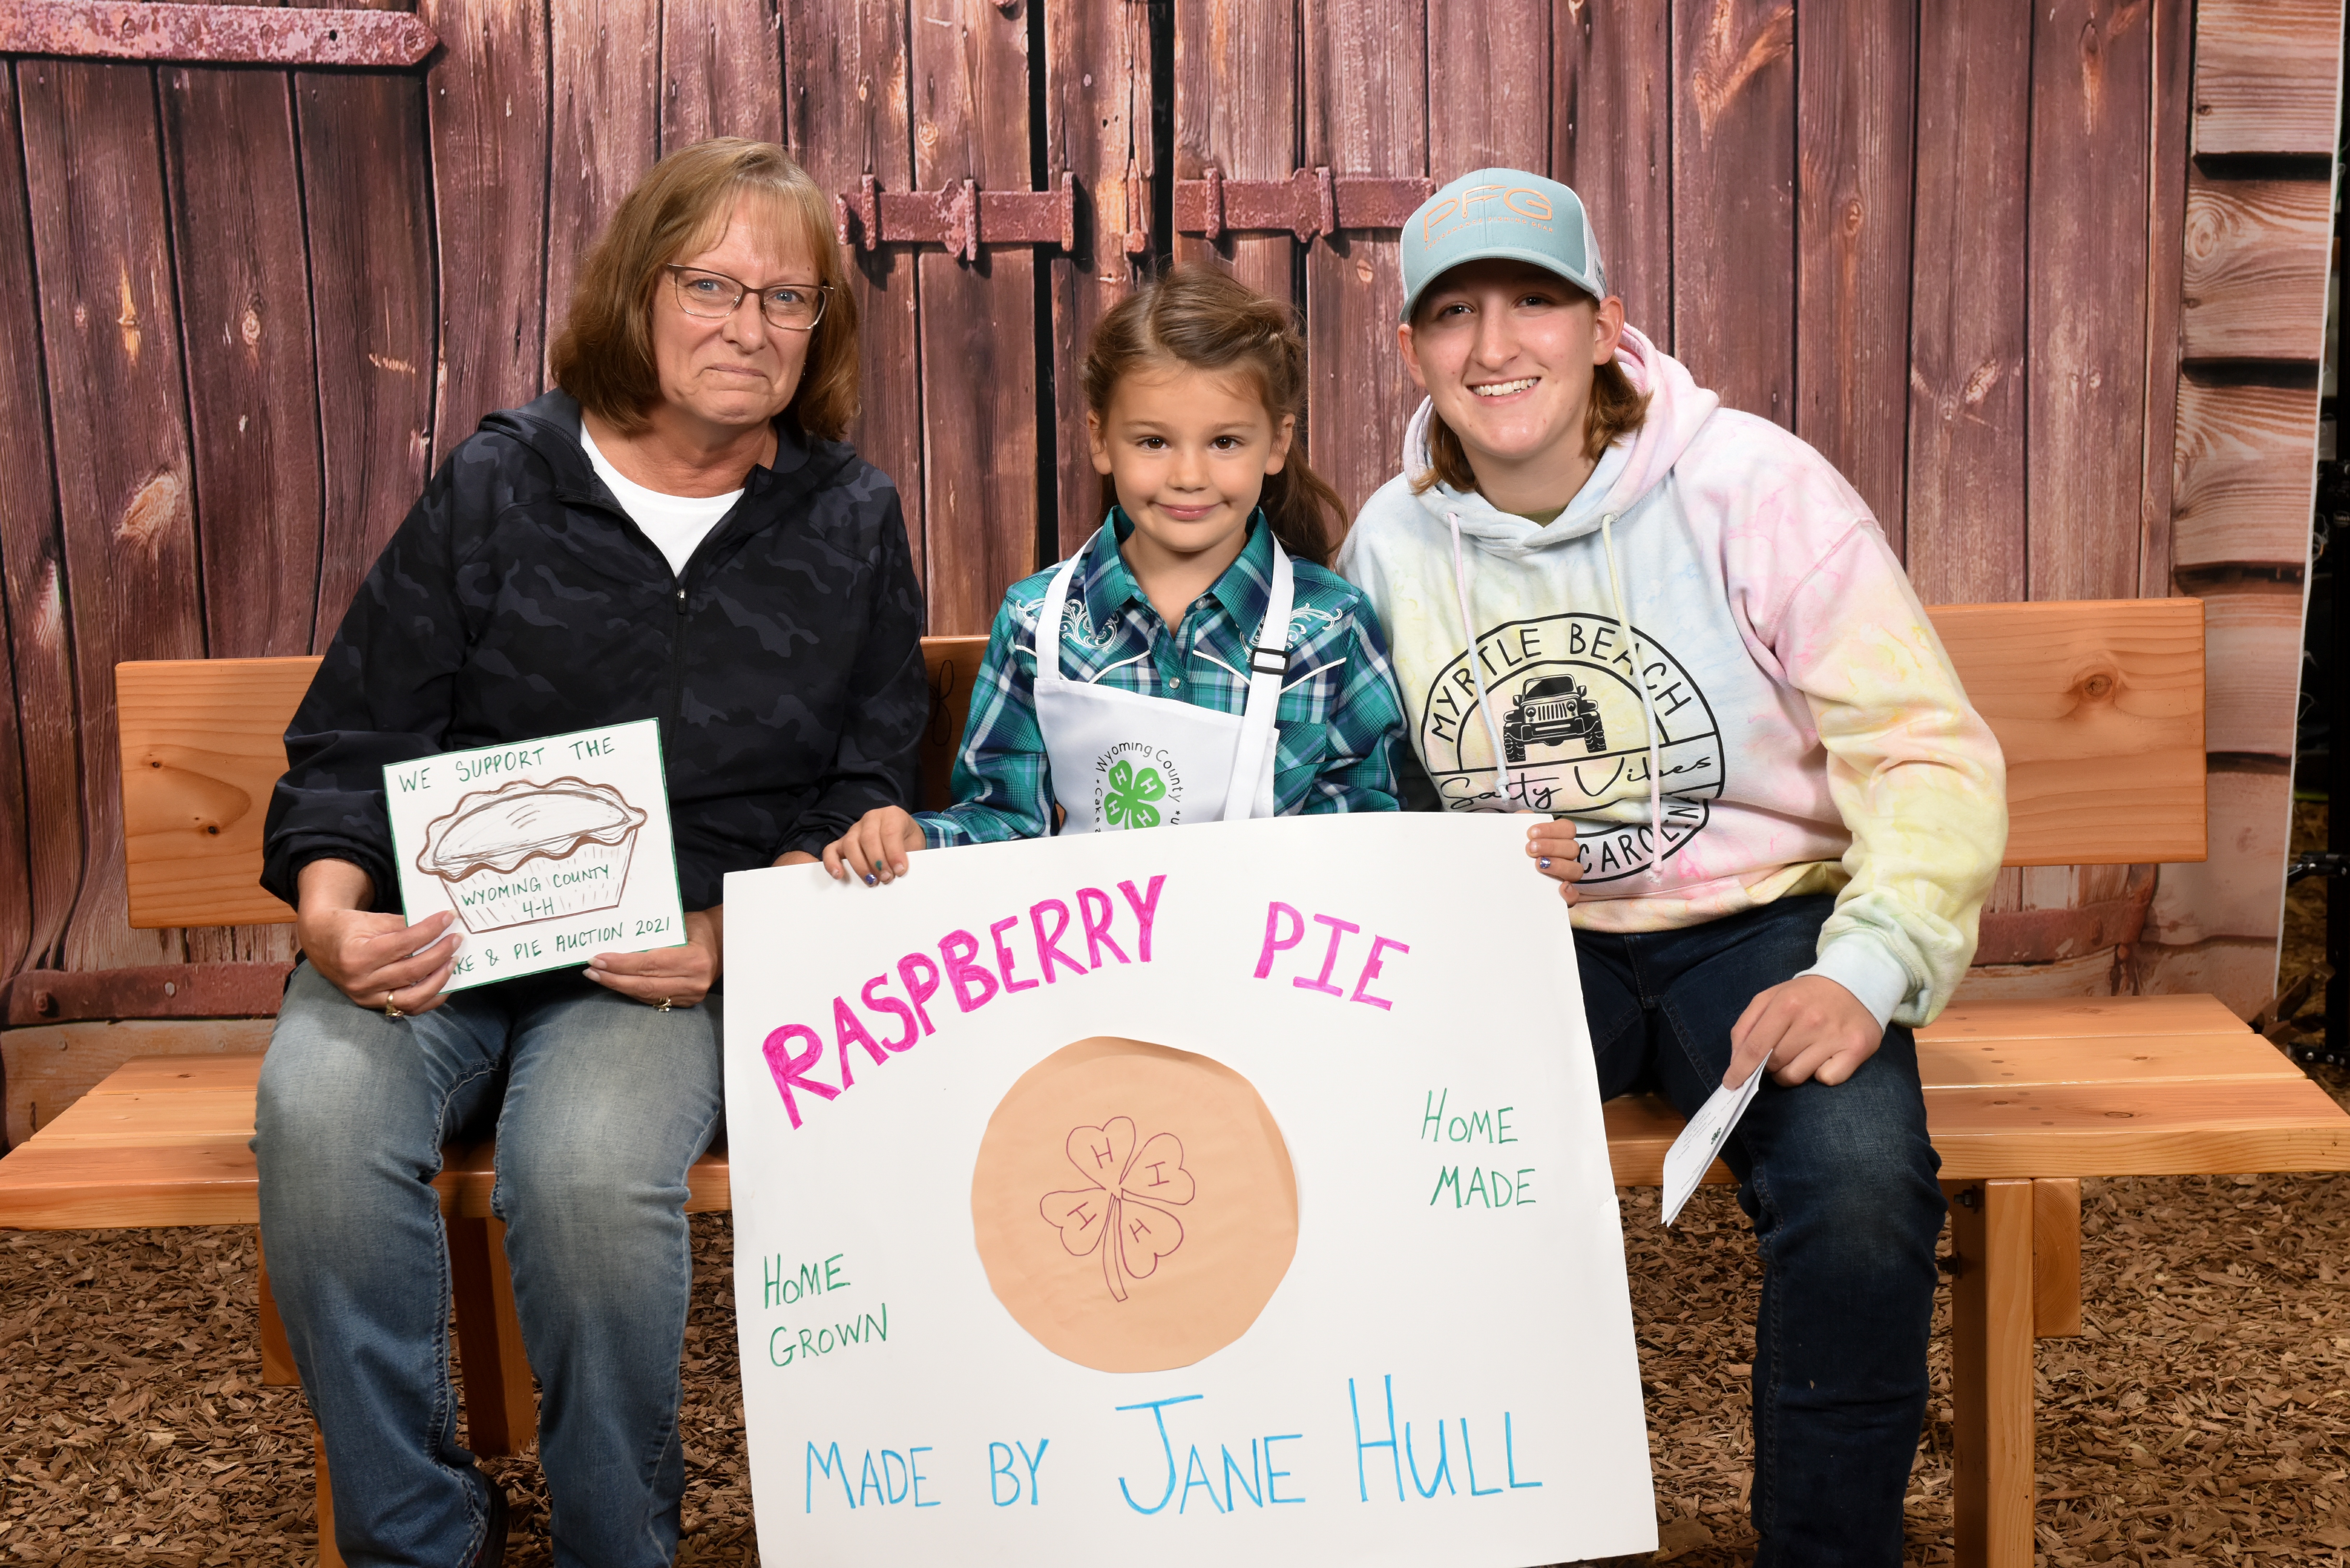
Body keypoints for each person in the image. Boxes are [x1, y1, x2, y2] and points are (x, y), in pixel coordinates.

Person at [254, 138, 926, 1567]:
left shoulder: (848, 519)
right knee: (317, 1115)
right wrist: (329, 913)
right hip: (438, 943)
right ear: (638, 289)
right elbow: (352, 739)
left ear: (821, 330)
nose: (750, 327)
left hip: (657, 960)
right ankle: (416, 1532)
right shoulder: (501, 486)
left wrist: (729, 940)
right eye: (712, 285)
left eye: (789, 300)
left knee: (587, 1173)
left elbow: (868, 784)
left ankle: (618, 1541)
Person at [1339, 169, 2006, 1566]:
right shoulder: (1392, 541)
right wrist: (1438, 866)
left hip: (1755, 921)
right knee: (1382, 1158)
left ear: (1604, 324)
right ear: (1409, 349)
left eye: (1534, 299)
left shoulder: (1750, 485)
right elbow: (1363, 783)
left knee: (1859, 1183)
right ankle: (1473, 1522)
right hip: (1520, 939)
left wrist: (1866, 966)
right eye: (1451, 313)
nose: (1493, 342)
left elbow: (1922, 745)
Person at [823, 265, 1404, 878]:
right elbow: (1003, 821)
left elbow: (1360, 845)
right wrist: (918, 841)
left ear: (1277, 444)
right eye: (1153, 442)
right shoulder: (1036, 623)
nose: (1188, 475)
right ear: (1101, 440)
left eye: (1225, 442)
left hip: (1265, 963)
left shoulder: (1332, 629)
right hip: (1088, 962)